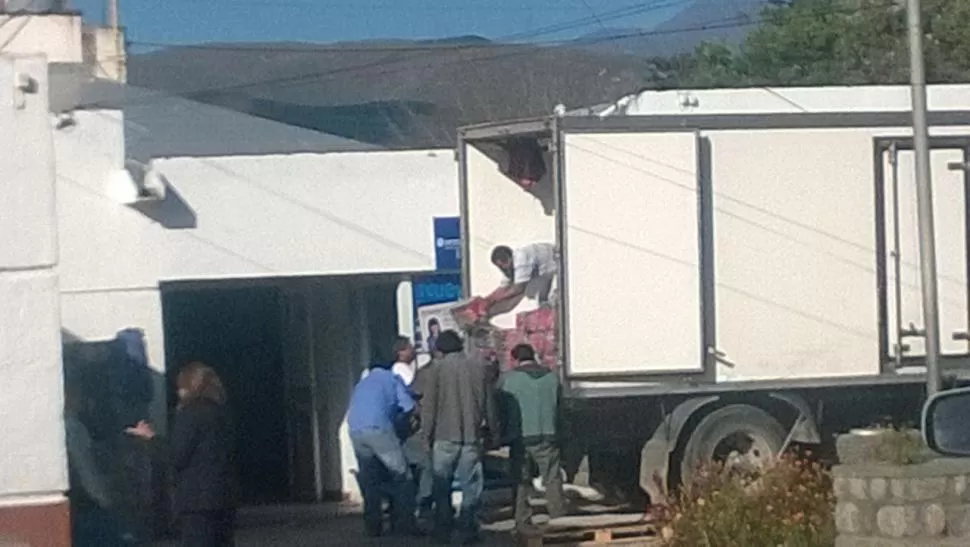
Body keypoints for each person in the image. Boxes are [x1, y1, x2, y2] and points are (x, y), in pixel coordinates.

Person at [126, 362, 238, 547]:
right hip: (225, 497)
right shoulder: (222, 412)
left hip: (197, 502)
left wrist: (151, 438)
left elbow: (176, 456)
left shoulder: (190, 413)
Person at [420, 330, 499, 544]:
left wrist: (425, 437)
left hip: (443, 437)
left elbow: (429, 407)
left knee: (441, 484)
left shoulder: (436, 370)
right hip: (471, 437)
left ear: (440, 349)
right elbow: (489, 404)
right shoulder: (479, 368)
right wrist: (494, 432)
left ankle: (442, 529)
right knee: (471, 485)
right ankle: (468, 527)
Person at [346, 360, 420, 537]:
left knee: (370, 480)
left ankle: (373, 527)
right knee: (403, 475)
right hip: (378, 428)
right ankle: (405, 524)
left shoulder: (361, 383)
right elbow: (409, 407)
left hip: (355, 430)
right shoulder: (392, 379)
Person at [499, 344, 566, 532]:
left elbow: (501, 409)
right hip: (548, 435)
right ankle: (559, 517)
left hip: (520, 437)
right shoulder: (552, 378)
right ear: (534, 356)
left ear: (515, 359)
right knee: (552, 478)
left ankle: (522, 519)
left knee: (521, 479)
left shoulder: (509, 379)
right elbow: (562, 409)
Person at [485, 243, 558, 314]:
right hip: (544, 273)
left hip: (556, 265)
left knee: (524, 291)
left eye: (505, 262)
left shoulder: (521, 257)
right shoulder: (511, 266)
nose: (504, 267)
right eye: (501, 266)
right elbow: (504, 287)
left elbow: (518, 288)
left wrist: (496, 299)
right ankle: (487, 313)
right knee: (520, 291)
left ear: (509, 256)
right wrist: (487, 300)